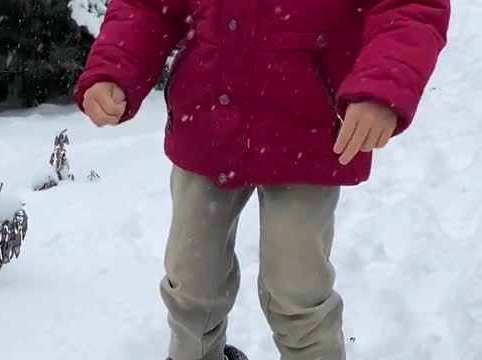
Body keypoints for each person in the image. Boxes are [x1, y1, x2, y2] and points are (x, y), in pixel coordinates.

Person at [74, 0, 451, 359]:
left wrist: (383, 86)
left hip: (309, 133)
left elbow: (409, 8)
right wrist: (114, 67)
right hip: (207, 125)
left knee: (298, 289)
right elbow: (150, 7)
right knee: (191, 279)